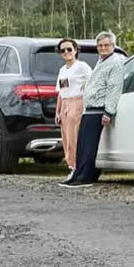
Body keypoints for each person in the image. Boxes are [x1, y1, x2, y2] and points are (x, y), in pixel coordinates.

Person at [61, 33, 126, 188]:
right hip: (88, 108)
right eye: (100, 45)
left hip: (99, 109)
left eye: (106, 45)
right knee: (82, 144)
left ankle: (86, 176)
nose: (103, 48)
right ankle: (77, 173)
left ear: (113, 46)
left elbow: (114, 88)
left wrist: (108, 112)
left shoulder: (115, 63)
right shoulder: (101, 61)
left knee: (90, 145)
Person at [52, 39, 90, 175]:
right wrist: (58, 112)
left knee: (74, 137)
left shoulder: (82, 66)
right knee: (66, 138)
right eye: (63, 50)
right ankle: (71, 167)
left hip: (77, 103)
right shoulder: (62, 70)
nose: (66, 52)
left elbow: (90, 83)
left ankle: (77, 168)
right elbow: (61, 92)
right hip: (65, 105)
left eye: (69, 49)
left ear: (75, 50)